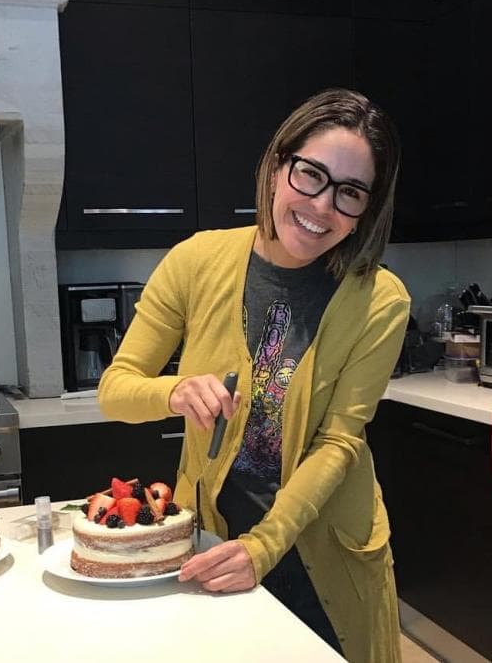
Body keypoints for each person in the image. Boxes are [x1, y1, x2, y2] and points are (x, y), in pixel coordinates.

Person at [98, 88, 411, 663]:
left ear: (369, 207)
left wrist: (264, 547)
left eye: (350, 193)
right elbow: (116, 390)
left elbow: (340, 442)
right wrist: (173, 391)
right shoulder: (196, 261)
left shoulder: (380, 300)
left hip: (327, 548)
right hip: (216, 539)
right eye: (310, 175)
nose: (322, 206)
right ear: (275, 167)